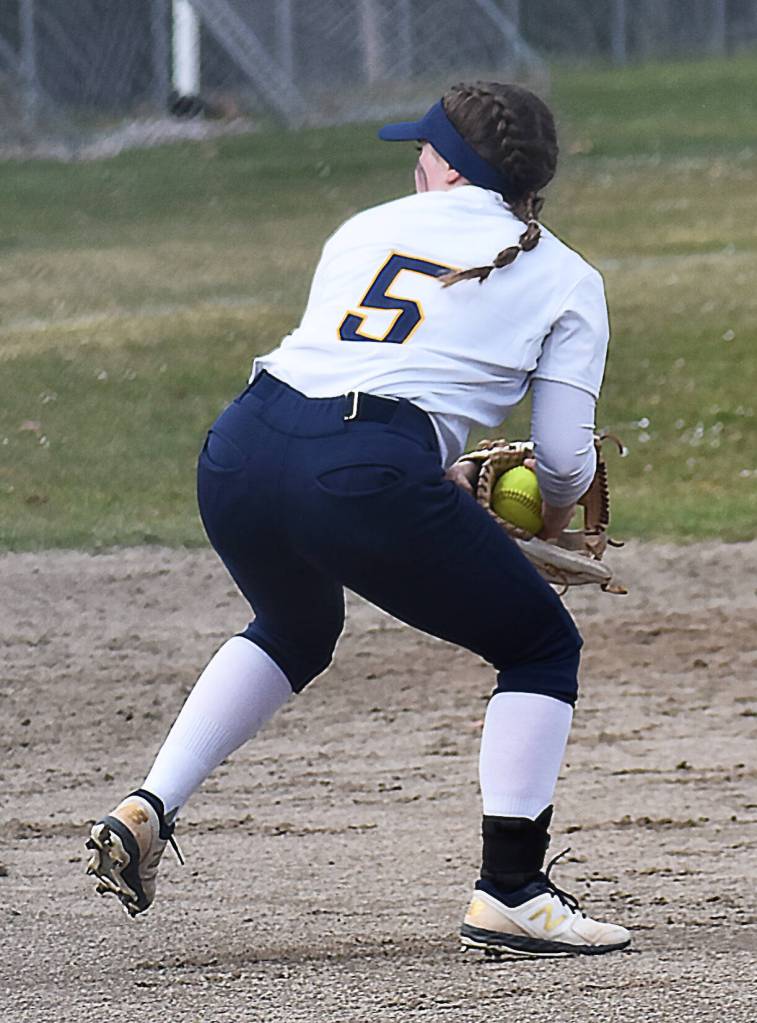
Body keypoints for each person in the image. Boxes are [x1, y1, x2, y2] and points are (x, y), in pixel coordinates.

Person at [87, 81, 631, 958]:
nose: (415, 159)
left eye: (424, 147)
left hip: (240, 445)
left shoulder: (363, 227)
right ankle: (512, 893)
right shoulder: (568, 278)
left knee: (295, 625)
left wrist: (423, 474)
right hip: (362, 470)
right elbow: (564, 463)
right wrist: (542, 518)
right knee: (539, 646)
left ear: (446, 168)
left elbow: (348, 380)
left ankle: (148, 803)